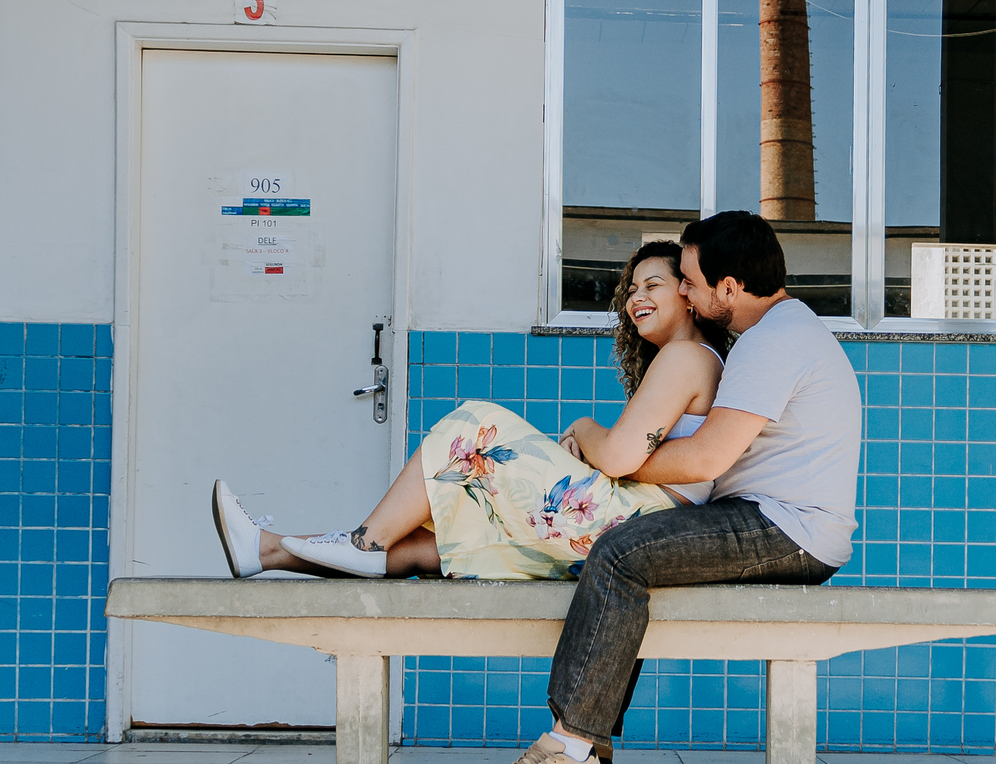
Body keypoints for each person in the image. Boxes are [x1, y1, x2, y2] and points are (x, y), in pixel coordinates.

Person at [473, 210, 863, 764]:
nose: (683, 290)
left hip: (787, 528)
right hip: (783, 521)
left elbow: (706, 458)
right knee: (634, 546)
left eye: (690, 281)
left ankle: (569, 748)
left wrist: (616, 460)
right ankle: (587, 747)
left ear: (729, 288)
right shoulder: (785, 332)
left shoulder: (773, 343)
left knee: (624, 551)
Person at [211, 240, 730, 589]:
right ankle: (266, 550)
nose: (636, 297)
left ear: (687, 294)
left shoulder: (687, 357)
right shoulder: (691, 362)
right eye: (632, 289)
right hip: (635, 527)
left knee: (475, 422)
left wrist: (584, 430)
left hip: (634, 526)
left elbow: (617, 456)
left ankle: (364, 540)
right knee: (434, 541)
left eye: (653, 285)